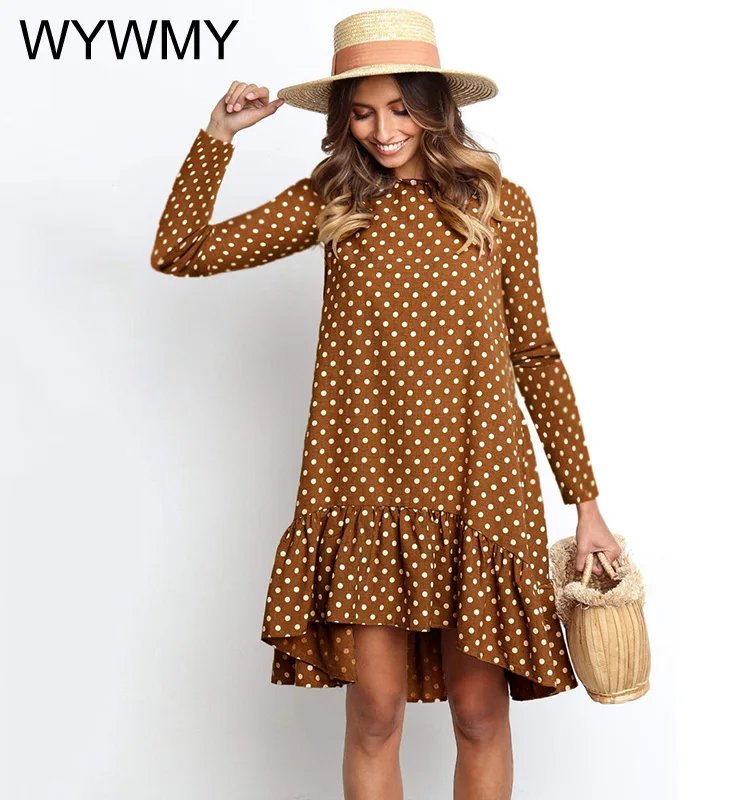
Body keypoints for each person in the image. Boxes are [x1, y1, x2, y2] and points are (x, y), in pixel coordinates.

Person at [150, 8, 620, 800]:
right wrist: (218, 137)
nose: (384, 129)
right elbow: (180, 251)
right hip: (368, 485)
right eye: (363, 112)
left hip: (480, 485)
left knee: (480, 713)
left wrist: (587, 504)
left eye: (401, 107)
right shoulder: (333, 198)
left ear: (435, 106)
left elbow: (535, 354)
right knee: (374, 713)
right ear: (344, 120)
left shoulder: (497, 203)